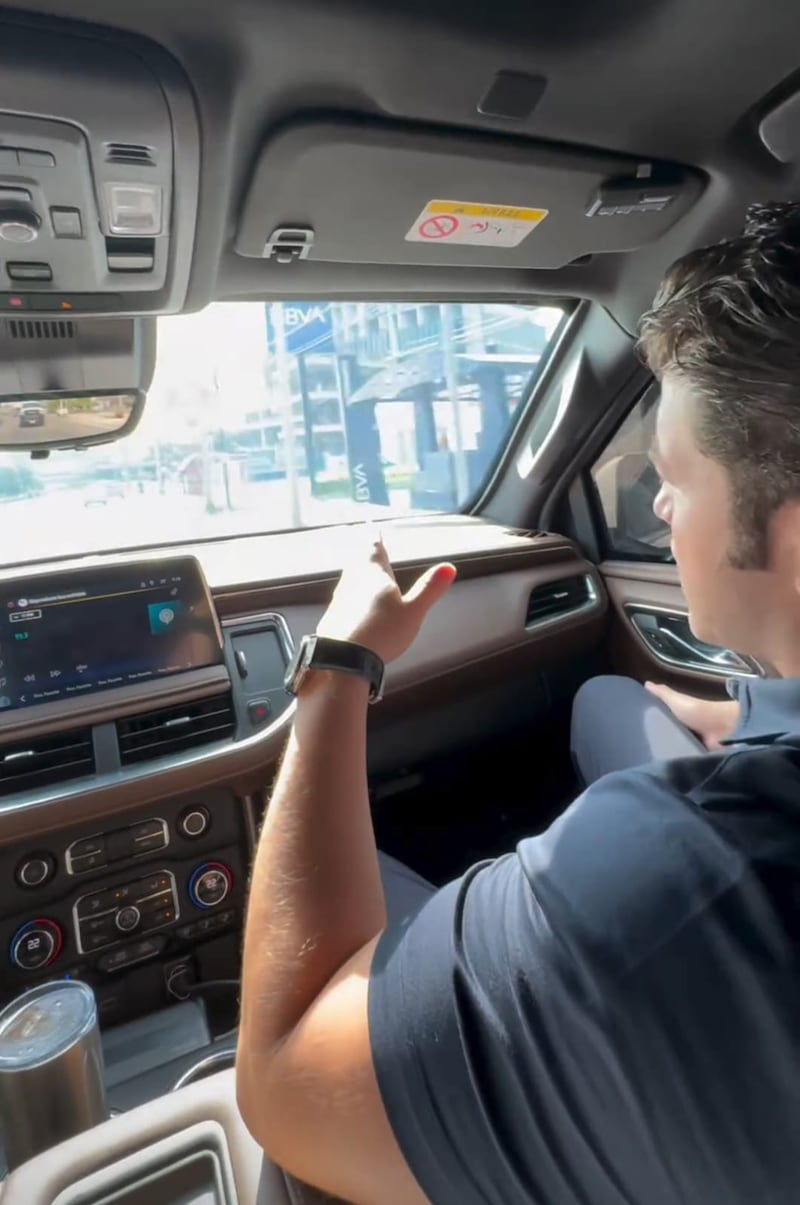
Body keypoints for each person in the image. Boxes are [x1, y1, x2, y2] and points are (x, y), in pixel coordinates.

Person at [236, 202, 800, 1205]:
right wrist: (737, 716)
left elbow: (281, 1080)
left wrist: (336, 666)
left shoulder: (683, 878)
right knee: (605, 696)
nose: (659, 506)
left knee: (349, 866)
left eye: (673, 475)